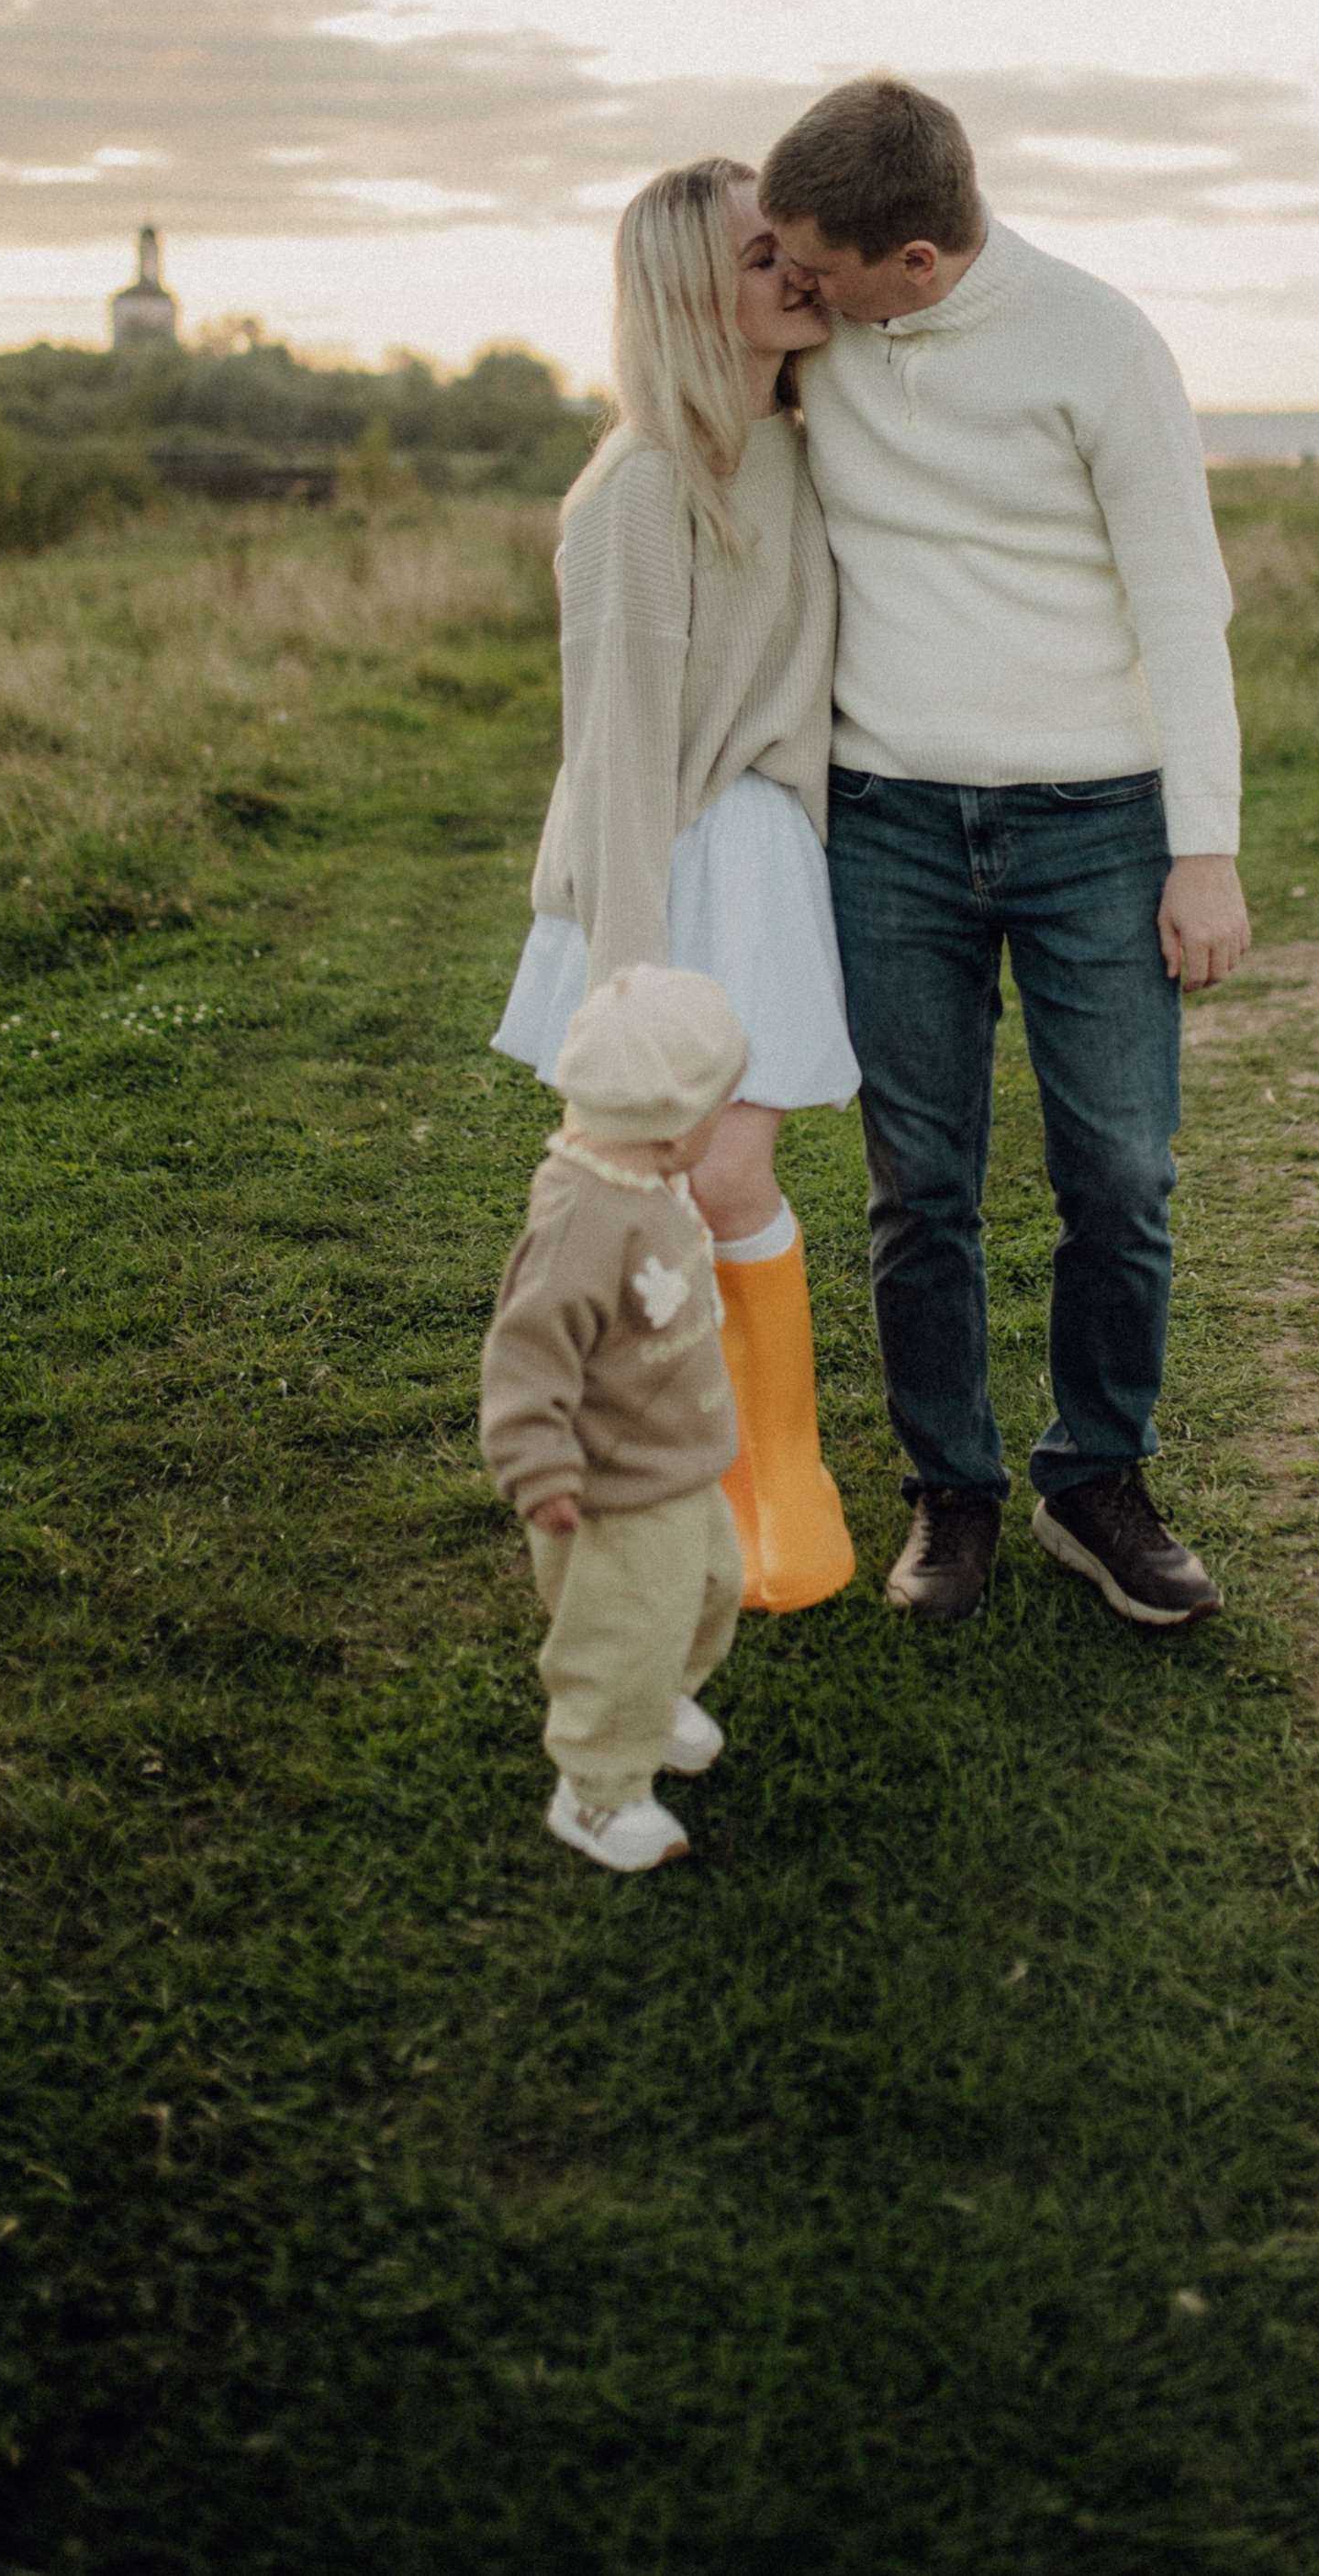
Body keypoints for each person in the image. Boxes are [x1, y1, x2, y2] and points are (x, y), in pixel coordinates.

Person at [759, 75, 1249, 1633]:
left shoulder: (1101, 346)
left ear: (916, 258)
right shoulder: (815, 344)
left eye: (820, 265)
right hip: (887, 821)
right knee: (924, 1187)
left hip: (1101, 824)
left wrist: (1205, 852)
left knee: (1119, 1172)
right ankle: (949, 1492)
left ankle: (1097, 1480)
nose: (796, 289)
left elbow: (1185, 610)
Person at [492, 156, 855, 1611]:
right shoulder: (641, 486)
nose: (799, 273)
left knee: (726, 1176)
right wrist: (625, 988)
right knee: (690, 1173)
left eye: (797, 248)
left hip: (768, 850)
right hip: (673, 853)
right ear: (690, 293)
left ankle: (783, 1469)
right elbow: (624, 753)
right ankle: (717, 1472)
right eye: (764, 255)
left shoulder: (812, 434)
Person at [481, 967, 750, 1874]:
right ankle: (594, 1791)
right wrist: (539, 1467)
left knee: (712, 1586)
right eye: (723, 1105)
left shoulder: (645, 1181)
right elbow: (525, 1354)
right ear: (676, 1126)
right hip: (613, 1483)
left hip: (677, 1458)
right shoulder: (582, 1218)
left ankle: (661, 1690)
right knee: (621, 1627)